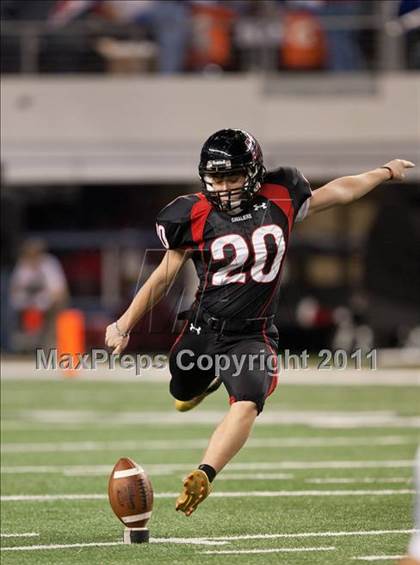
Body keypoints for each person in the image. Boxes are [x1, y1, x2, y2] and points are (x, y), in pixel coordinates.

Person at [105, 128, 414, 516]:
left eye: (232, 177)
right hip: (203, 327)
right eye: (216, 179)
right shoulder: (193, 213)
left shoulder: (281, 196)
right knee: (181, 392)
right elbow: (164, 275)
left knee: (249, 400)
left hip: (252, 334)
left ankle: (205, 471)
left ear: (254, 172)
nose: (224, 187)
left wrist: (384, 171)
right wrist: (125, 323)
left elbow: (341, 191)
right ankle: (204, 382)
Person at [10, 238, 69, 351]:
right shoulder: (22, 265)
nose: (33, 257)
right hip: (27, 307)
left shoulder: (49, 263)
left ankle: (51, 343)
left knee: (58, 304)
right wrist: (28, 303)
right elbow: (14, 290)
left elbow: (59, 292)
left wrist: (42, 302)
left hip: (48, 306)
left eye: (35, 253)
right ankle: (24, 344)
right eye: (30, 254)